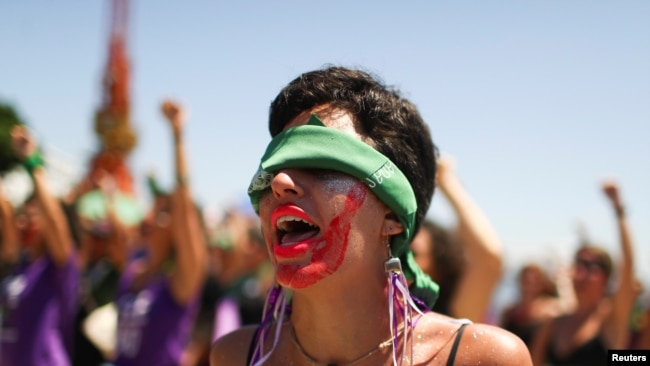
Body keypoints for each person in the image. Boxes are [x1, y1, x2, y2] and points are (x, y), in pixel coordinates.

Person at [211, 66, 532, 366]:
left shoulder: (480, 358)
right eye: (273, 168)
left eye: (321, 165)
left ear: (391, 215)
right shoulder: (237, 356)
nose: (280, 182)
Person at [111, 99, 207, 366]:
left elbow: (184, 205)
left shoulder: (178, 282)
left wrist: (177, 135)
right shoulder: (133, 270)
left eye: (162, 213)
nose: (151, 217)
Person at [530, 181, 637, 366]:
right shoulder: (553, 324)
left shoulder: (610, 319)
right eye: (578, 263)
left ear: (606, 277)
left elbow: (628, 265)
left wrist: (618, 209)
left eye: (590, 266)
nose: (581, 272)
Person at [0, 126, 80, 366]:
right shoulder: (20, 265)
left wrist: (32, 161)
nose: (23, 222)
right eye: (23, 215)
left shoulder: (58, 268)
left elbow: (54, 219)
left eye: (32, 217)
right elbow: (5, 213)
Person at [410, 156, 504, 322]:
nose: (398, 260)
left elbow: (488, 258)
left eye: (413, 254)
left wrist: (446, 181)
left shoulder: (450, 315)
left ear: (438, 269)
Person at [501, 263, 576, 347]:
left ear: (542, 283)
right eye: (526, 278)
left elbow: (571, 310)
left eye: (535, 279)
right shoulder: (509, 312)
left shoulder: (550, 309)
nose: (530, 282)